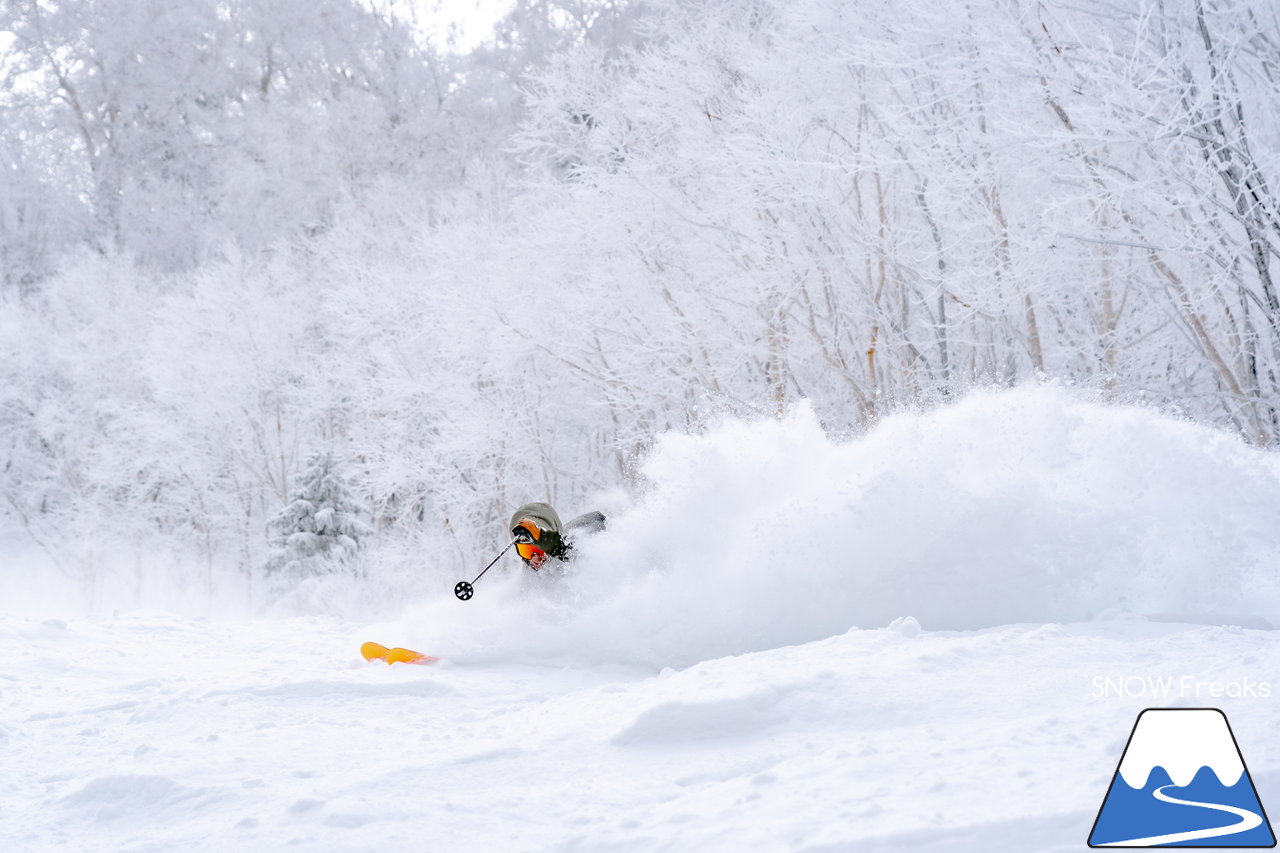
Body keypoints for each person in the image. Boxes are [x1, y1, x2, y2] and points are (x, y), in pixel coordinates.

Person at [509, 501, 606, 570]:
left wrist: (544, 540)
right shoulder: (529, 576)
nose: (535, 558)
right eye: (526, 551)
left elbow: (575, 556)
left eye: (538, 549)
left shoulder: (578, 532)